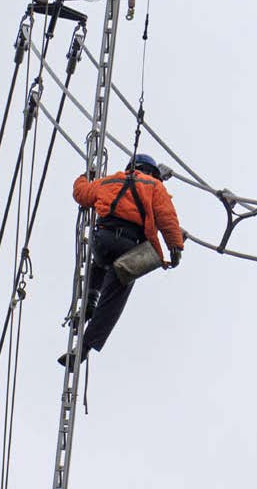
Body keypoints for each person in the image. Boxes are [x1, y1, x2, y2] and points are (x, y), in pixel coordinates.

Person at [58, 154, 184, 369]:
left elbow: (81, 194)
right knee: (115, 294)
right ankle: (85, 347)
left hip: (103, 241)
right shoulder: (154, 186)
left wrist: (84, 176)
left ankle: (89, 299)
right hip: (129, 246)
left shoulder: (108, 181)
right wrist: (176, 247)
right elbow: (166, 217)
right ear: (152, 172)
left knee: (98, 263)